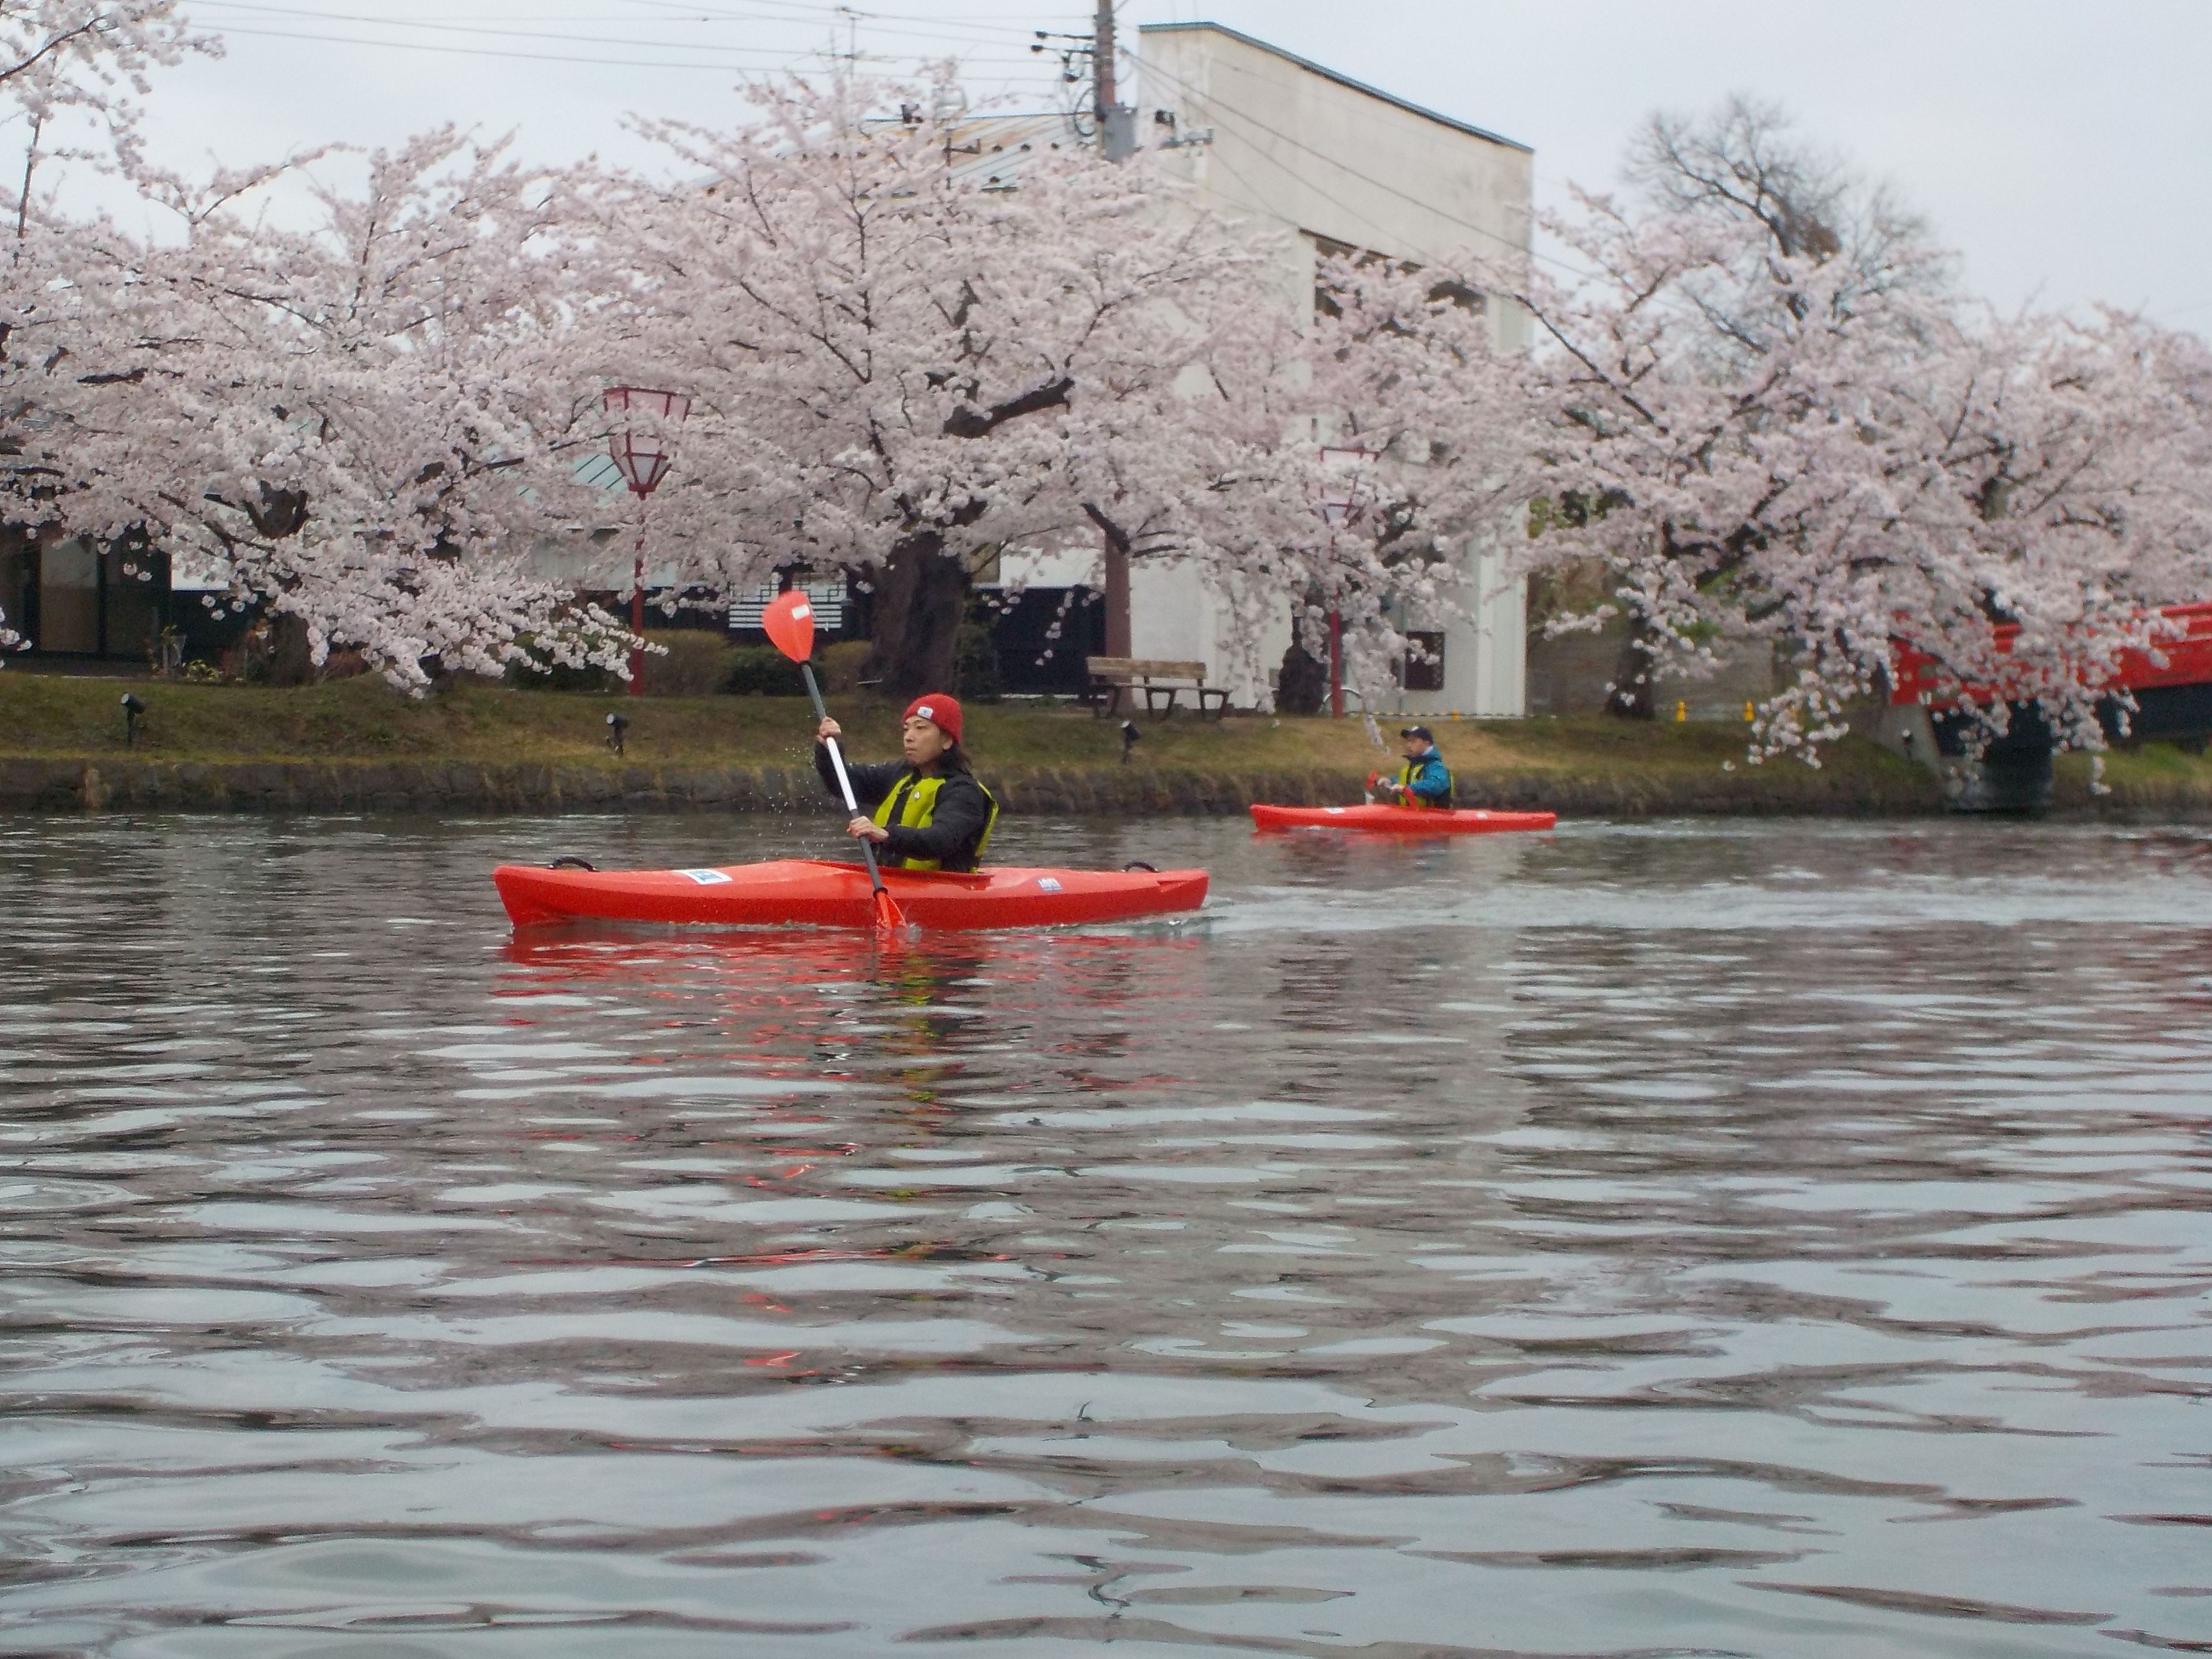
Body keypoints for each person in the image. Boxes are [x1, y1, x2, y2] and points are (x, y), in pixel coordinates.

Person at [815, 693, 1000, 873]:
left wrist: (886, 835)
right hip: (890, 883)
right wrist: (829, 748)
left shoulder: (964, 792)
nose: (909, 737)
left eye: (921, 728)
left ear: (947, 740)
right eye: (906, 729)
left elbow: (941, 840)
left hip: (942, 892)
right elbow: (842, 783)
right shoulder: (899, 775)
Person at [1373, 724, 1454, 809]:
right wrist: (1390, 782)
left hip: (1435, 818)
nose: (1409, 745)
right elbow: (1405, 782)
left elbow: (1436, 785)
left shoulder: (1436, 766)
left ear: (1427, 743)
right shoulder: (1413, 767)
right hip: (1414, 816)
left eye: (1414, 742)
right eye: (1409, 741)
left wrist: (1408, 789)